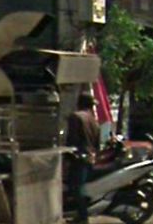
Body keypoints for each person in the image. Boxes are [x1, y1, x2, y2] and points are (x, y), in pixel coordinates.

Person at [66, 92, 100, 224]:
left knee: (75, 187)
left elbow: (72, 140)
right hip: (90, 158)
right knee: (79, 187)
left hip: (79, 158)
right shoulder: (94, 121)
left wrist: (67, 155)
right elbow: (97, 144)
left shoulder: (76, 117)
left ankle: (82, 216)